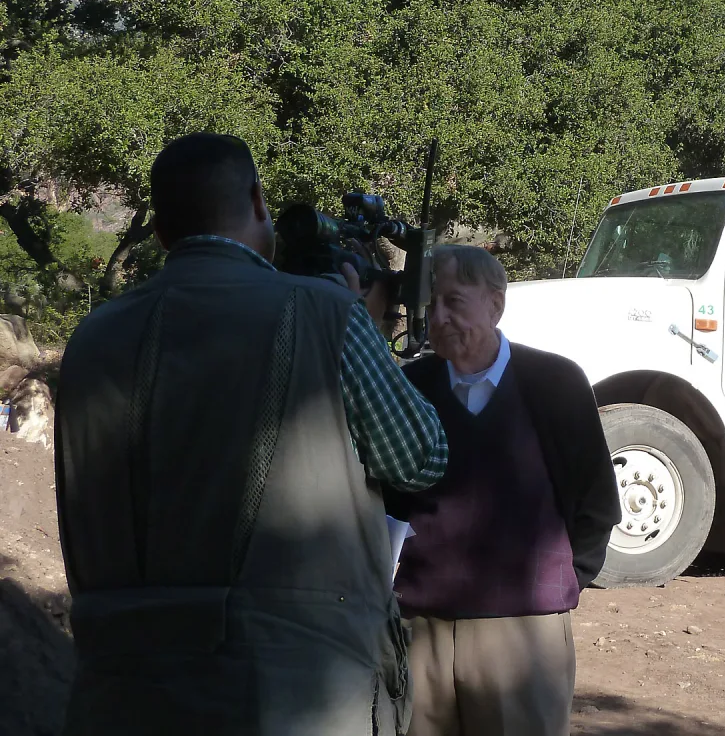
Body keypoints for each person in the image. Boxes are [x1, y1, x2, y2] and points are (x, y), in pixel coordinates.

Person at [55, 133, 449, 736]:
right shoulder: (325, 313)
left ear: (158, 231)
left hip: (123, 688)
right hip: (295, 689)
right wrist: (360, 326)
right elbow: (420, 458)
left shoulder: (91, 337)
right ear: (259, 203)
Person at [385, 245, 619, 736]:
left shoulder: (555, 384)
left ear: (496, 305)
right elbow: (388, 499)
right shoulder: (410, 387)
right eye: (432, 303)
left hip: (524, 633)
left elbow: (596, 501)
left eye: (454, 301)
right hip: (421, 627)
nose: (438, 317)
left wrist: (558, 582)